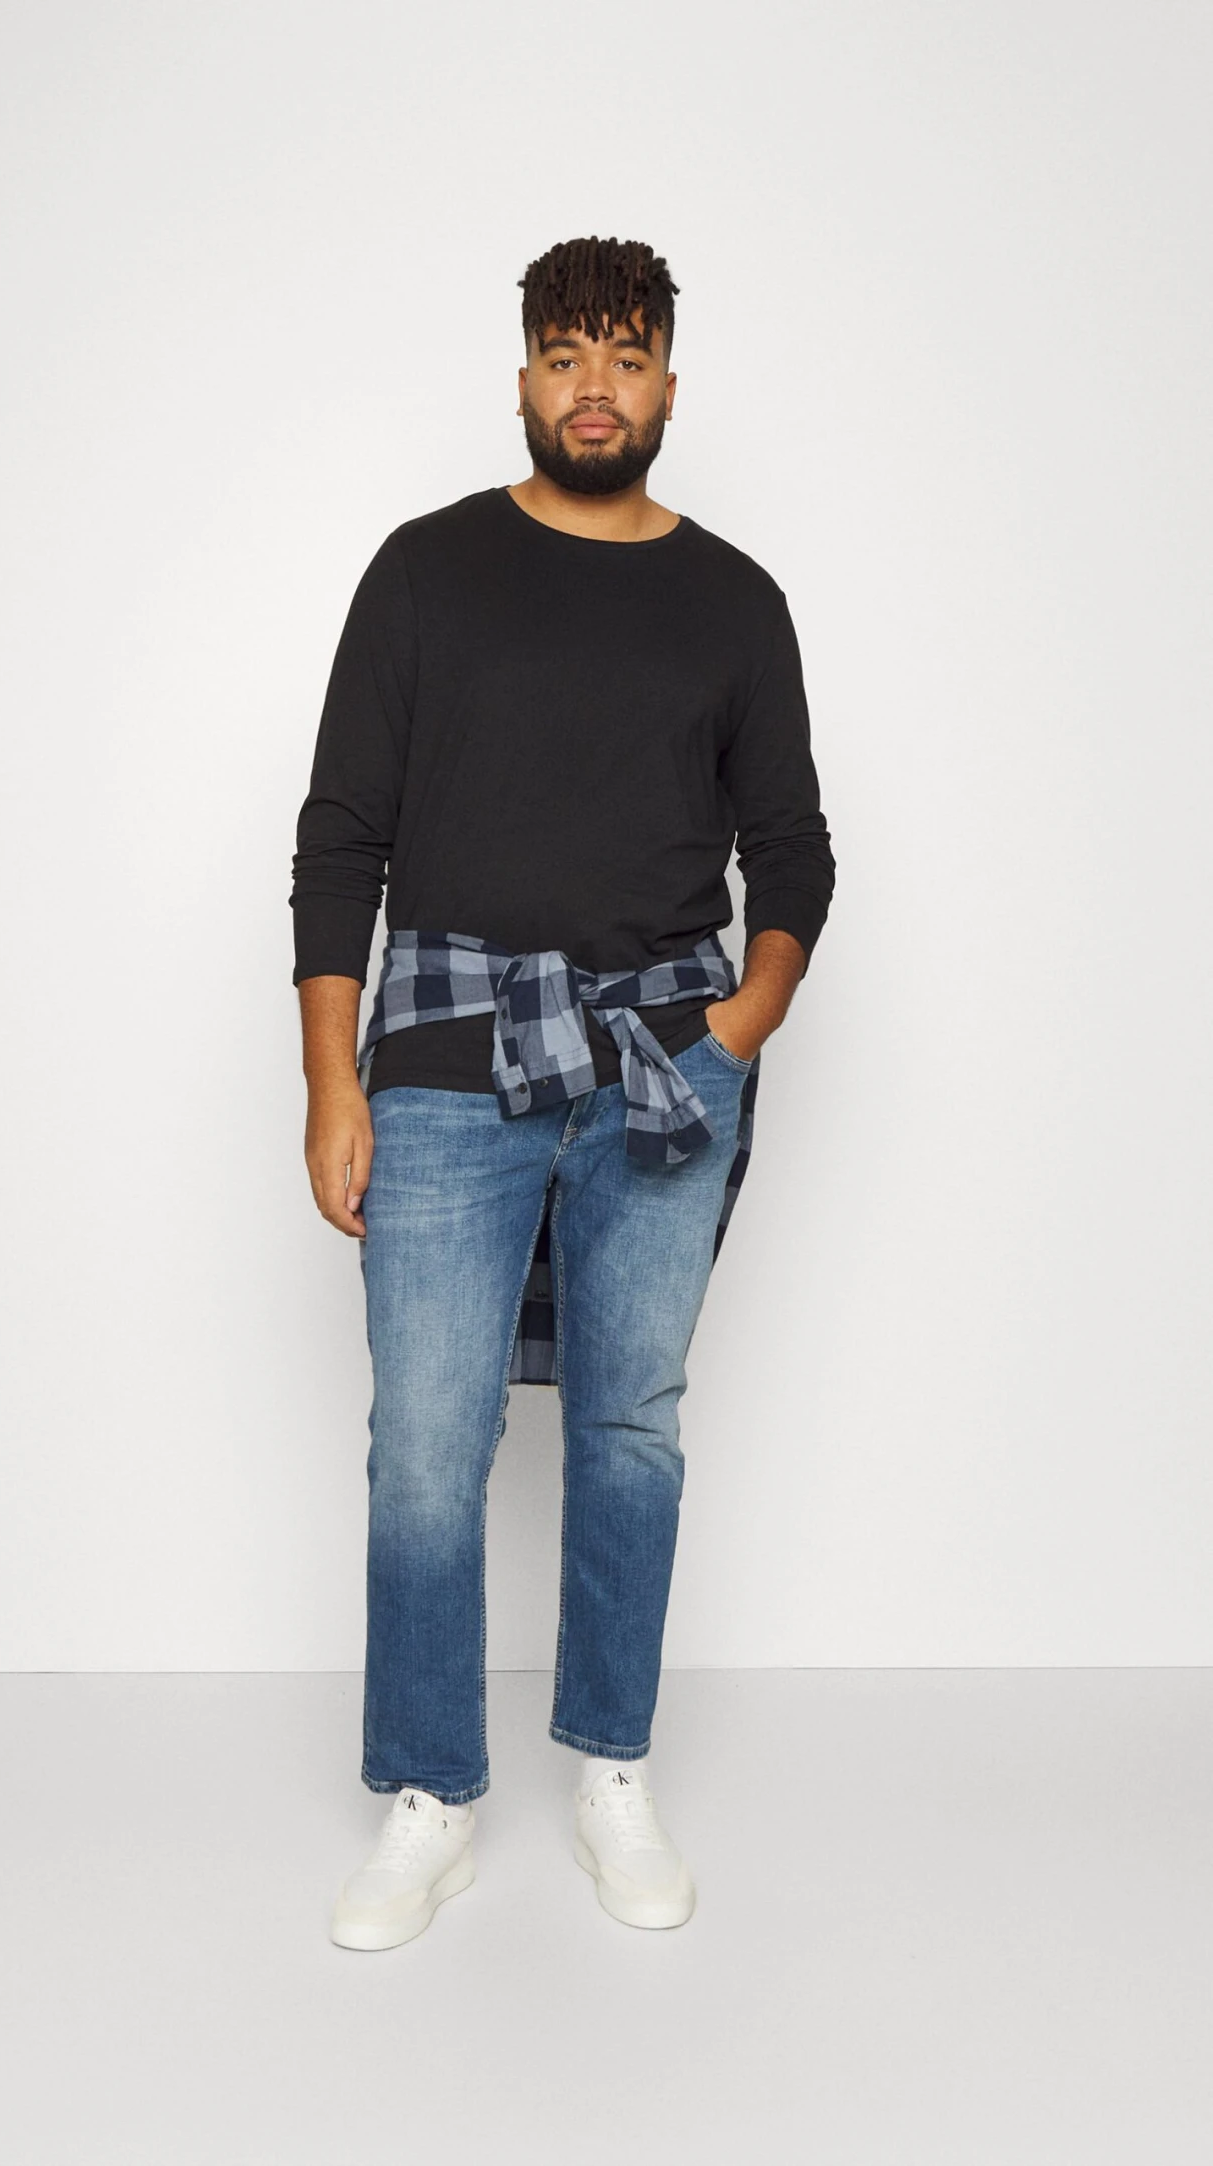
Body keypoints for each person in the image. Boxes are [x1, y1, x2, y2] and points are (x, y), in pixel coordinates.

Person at [289, 235, 836, 1950]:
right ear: (523, 374)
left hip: (665, 1069)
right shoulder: (424, 572)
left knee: (630, 1426)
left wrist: (739, 1028)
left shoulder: (736, 600)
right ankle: (431, 1792)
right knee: (426, 1440)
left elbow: (795, 850)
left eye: (626, 354)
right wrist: (329, 1082)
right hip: (447, 1061)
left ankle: (610, 1761)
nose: (594, 386)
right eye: (564, 353)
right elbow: (340, 840)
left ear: (669, 380)